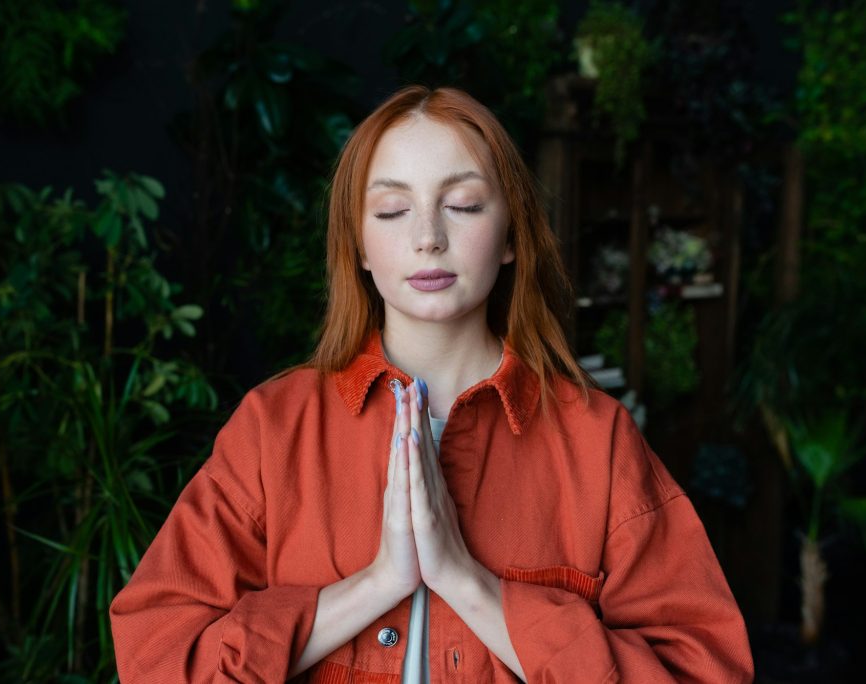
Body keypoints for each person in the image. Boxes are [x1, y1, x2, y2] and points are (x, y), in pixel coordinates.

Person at [109, 85, 754, 683]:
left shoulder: (597, 439)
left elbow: (704, 668)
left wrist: (467, 582)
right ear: (358, 246)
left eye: (463, 204)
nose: (428, 238)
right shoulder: (274, 427)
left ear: (509, 234)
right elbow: (157, 653)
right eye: (392, 210)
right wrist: (378, 584)